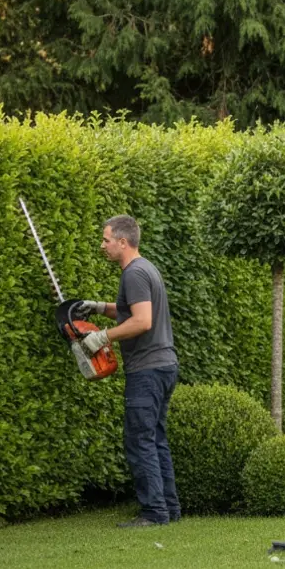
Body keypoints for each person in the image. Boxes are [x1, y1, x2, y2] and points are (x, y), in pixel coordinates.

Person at [75, 215, 181, 526]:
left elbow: (142, 321)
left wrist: (102, 336)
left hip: (147, 370)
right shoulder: (145, 268)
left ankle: (153, 513)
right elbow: (132, 309)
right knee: (155, 438)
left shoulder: (133, 274)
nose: (102, 245)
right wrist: (98, 306)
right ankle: (169, 510)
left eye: (106, 239)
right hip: (163, 366)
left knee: (140, 440)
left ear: (123, 242)